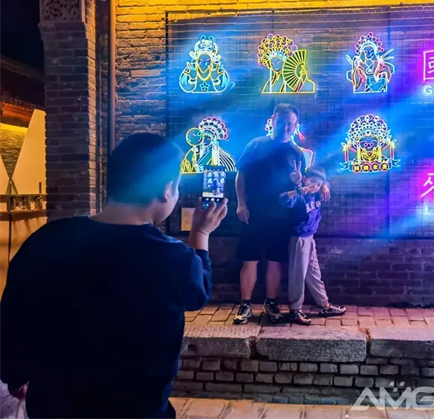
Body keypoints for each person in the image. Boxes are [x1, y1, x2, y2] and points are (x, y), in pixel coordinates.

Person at [0, 133, 228, 419]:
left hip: (54, 406)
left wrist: (15, 374)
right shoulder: (174, 259)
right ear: (167, 190)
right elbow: (198, 292)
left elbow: (14, 317)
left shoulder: (46, 240)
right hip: (138, 410)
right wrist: (201, 233)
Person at [233, 103, 330, 325]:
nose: (286, 127)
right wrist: (241, 203)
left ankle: (271, 303)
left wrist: (319, 184)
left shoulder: (297, 152)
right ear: (273, 120)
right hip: (253, 212)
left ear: (295, 126)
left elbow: (307, 182)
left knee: (275, 261)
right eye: (282, 122)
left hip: (283, 216)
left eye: (291, 124)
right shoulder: (256, 145)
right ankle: (245, 304)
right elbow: (241, 175)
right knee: (250, 259)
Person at [279, 166, 346, 325]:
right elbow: (282, 199)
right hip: (299, 239)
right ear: (304, 179)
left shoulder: (318, 191)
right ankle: (295, 310)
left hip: (310, 237)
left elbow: (326, 183)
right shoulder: (299, 195)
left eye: (318, 183)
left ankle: (325, 305)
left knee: (314, 273)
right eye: (312, 182)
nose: (314, 186)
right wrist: (299, 190)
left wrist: (324, 186)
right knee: (298, 275)